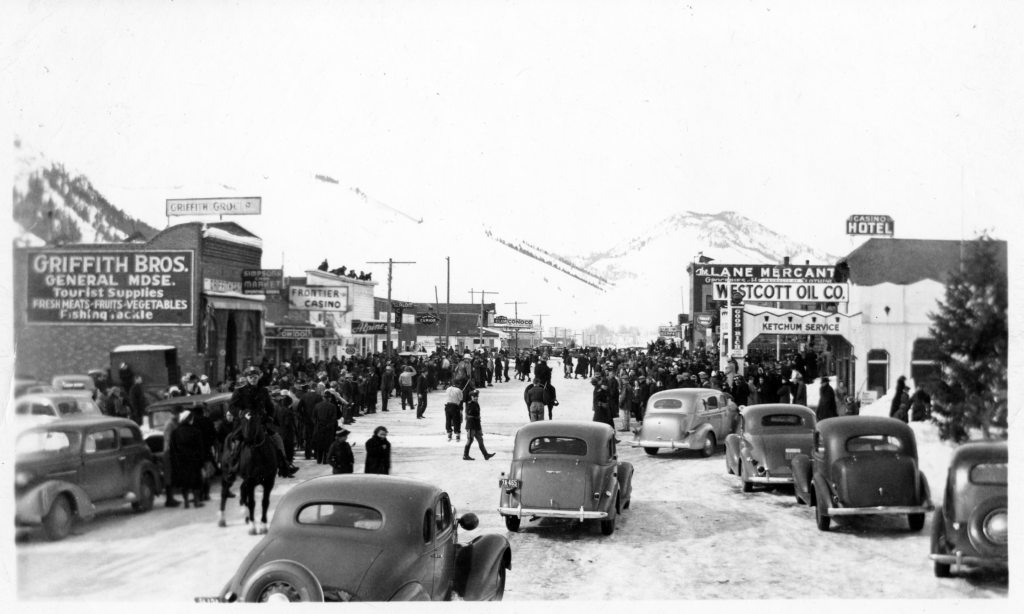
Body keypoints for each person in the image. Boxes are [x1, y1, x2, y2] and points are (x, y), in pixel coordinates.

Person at [168, 410, 207, 509]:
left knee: (184, 483)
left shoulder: (175, 432)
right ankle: (196, 502)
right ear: (190, 420)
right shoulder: (196, 432)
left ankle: (186, 502)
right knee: (196, 482)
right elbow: (200, 449)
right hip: (193, 460)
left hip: (180, 461)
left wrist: (174, 462)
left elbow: (172, 449)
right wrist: (202, 464)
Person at [463, 390, 495, 461]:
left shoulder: (476, 404)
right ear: (471, 397)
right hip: (471, 425)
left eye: (477, 396)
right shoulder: (469, 404)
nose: (476, 398)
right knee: (470, 440)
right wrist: (475, 417)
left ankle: (486, 455)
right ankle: (465, 455)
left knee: (481, 440)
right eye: (474, 396)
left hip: (477, 425)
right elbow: (468, 415)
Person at [311, 392, 339, 464]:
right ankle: (325, 460)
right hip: (328, 429)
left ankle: (319, 459)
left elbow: (313, 417)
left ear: (323, 398)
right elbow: (334, 419)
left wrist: (317, 424)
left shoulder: (317, 405)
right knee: (327, 445)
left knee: (319, 444)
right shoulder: (333, 406)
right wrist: (327, 426)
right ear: (330, 398)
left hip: (318, 428)